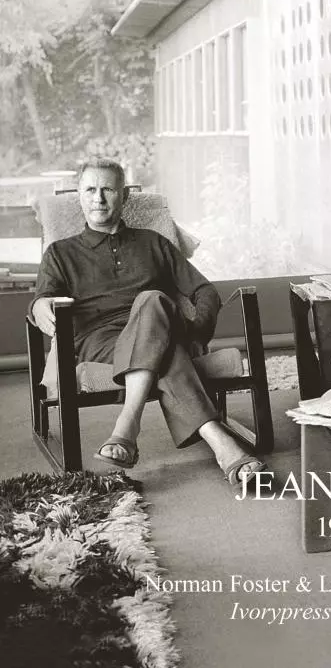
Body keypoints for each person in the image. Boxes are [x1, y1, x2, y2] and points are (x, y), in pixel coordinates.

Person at [32, 157, 266, 487]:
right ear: (79, 196)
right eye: (90, 190)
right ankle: (221, 444)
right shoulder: (60, 253)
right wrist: (40, 304)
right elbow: (44, 298)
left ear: (125, 195)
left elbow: (204, 291)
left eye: (108, 189)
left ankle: (127, 428)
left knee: (152, 301)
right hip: (102, 342)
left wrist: (198, 330)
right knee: (164, 338)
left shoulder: (153, 242)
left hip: (162, 326)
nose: (99, 198)